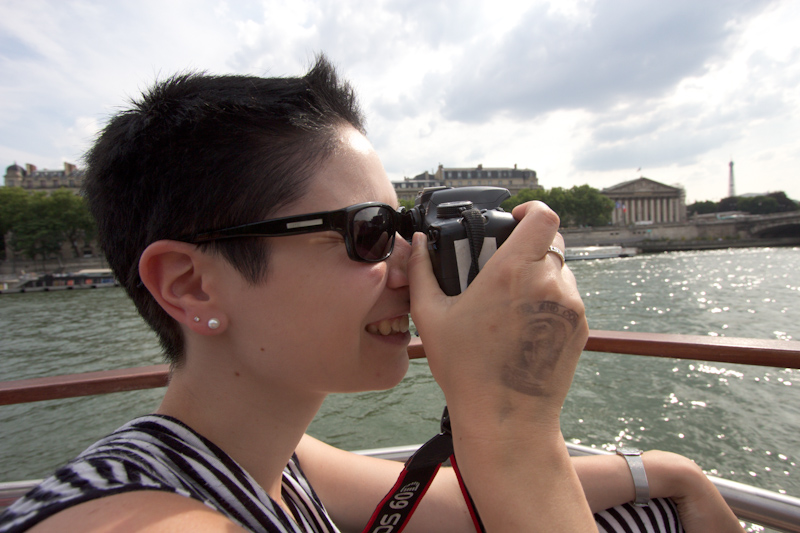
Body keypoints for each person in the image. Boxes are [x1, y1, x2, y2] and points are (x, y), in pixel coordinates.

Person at [0, 55, 742, 533]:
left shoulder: (276, 457)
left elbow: (453, 499)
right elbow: (502, 477)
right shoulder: (140, 523)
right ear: (192, 284)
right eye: (368, 232)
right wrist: (512, 410)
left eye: (405, 225)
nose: (409, 260)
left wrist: (667, 472)